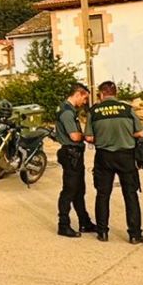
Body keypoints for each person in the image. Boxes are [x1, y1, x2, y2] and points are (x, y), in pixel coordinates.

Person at [86, 81, 143, 244]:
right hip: (126, 156)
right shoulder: (127, 109)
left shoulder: (94, 111)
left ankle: (103, 232)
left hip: (104, 156)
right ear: (115, 93)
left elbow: (89, 137)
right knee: (130, 195)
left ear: (101, 94)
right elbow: (140, 133)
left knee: (103, 194)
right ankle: (134, 234)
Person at [54, 84, 93, 238]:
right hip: (71, 154)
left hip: (74, 154)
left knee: (79, 191)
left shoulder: (67, 109)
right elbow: (74, 136)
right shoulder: (67, 112)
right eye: (84, 98)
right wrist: (88, 137)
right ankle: (63, 225)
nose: (84, 102)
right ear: (78, 94)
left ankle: (85, 222)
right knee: (69, 191)